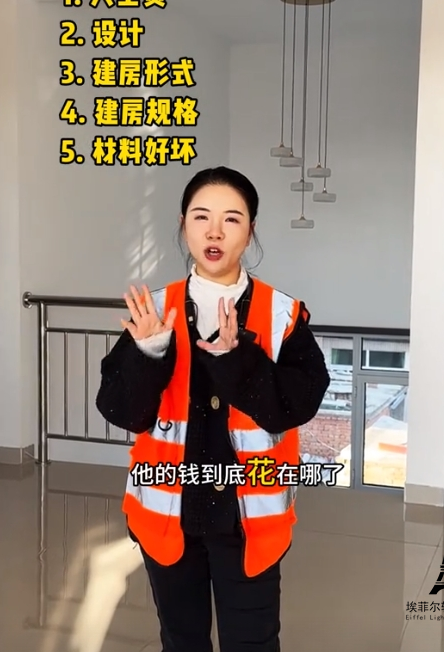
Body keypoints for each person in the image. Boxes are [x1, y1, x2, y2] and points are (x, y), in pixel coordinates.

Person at [95, 166, 330, 652]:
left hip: (249, 524)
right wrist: (149, 353)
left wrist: (239, 361)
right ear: (183, 224)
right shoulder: (153, 311)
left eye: (232, 219)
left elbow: (296, 405)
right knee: (182, 641)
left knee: (253, 643)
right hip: (168, 518)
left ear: (251, 230)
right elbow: (121, 410)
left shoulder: (282, 315)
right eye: (201, 217)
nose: (215, 231)